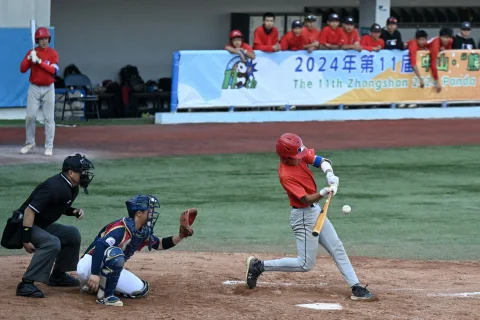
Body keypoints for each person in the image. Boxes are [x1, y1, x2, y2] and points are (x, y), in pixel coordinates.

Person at [245, 133, 375, 301]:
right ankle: (259, 266)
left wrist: (329, 174)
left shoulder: (297, 153)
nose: (300, 159)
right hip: (303, 216)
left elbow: (321, 161)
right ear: (285, 158)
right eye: (296, 157)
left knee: (337, 247)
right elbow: (305, 199)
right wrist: (323, 192)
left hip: (315, 211)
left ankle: (356, 287)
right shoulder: (286, 175)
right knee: (305, 264)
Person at [76, 194, 197, 306]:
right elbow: (100, 245)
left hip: (104, 266)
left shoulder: (142, 231)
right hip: (89, 265)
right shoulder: (121, 228)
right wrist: (94, 274)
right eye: (149, 210)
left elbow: (160, 244)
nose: (152, 214)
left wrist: (181, 236)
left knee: (140, 289)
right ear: (139, 213)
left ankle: (92, 287)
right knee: (116, 254)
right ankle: (105, 296)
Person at [15, 153, 94, 298]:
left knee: (71, 234)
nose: (85, 175)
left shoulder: (71, 187)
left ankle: (58, 275)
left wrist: (73, 211)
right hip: (24, 225)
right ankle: (26, 284)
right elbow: (29, 211)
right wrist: (26, 240)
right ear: (71, 173)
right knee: (52, 242)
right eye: (82, 171)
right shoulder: (53, 186)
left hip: (40, 225)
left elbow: (57, 205)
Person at [19, 27, 59, 157]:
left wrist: (40, 62)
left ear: (49, 39)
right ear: (37, 40)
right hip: (34, 87)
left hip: (49, 87)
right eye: (41, 39)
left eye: (46, 38)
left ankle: (49, 146)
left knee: (49, 118)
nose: (44, 41)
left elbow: (54, 71)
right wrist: (29, 59)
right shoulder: (32, 52)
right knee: (30, 116)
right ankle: (30, 142)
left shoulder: (53, 53)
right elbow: (22, 69)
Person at [427, 27, 454, 92]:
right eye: (444, 37)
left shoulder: (450, 41)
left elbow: (448, 53)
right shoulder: (435, 44)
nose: (446, 40)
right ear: (440, 37)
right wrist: (437, 82)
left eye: (447, 37)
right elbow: (433, 64)